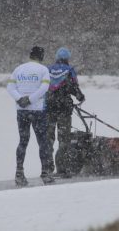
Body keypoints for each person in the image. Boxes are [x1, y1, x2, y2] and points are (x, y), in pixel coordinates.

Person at [7, 46, 55, 186]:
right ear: (41, 56)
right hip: (38, 110)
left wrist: (20, 99)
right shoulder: (43, 70)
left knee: (23, 141)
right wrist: (30, 99)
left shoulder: (18, 69)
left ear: (30, 55)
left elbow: (10, 88)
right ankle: (46, 174)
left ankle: (19, 173)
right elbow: (44, 88)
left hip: (21, 110)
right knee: (43, 142)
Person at [46, 47, 85, 178]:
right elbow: (73, 86)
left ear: (57, 57)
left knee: (48, 139)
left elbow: (43, 87)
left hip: (49, 108)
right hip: (63, 109)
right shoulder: (69, 70)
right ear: (67, 58)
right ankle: (62, 169)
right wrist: (80, 96)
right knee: (63, 139)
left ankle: (47, 168)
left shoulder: (48, 69)